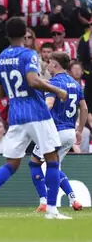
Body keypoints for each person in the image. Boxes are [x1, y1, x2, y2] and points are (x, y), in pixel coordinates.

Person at [0, 17, 70, 220]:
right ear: (25, 33)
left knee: (12, 163)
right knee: (52, 159)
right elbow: (33, 81)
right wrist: (56, 89)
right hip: (37, 112)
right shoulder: (29, 54)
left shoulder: (0, 58)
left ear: (7, 35)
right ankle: (52, 210)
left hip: (16, 115)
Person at [28, 51, 87, 213]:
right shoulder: (75, 84)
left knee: (34, 163)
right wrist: (79, 130)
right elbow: (84, 108)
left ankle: (44, 201)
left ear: (55, 65)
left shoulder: (54, 83)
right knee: (55, 167)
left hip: (55, 132)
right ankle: (74, 199)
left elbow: (49, 105)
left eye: (49, 62)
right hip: (69, 132)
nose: (47, 65)